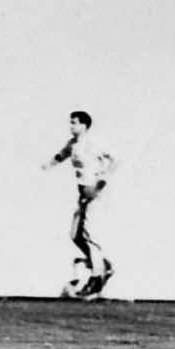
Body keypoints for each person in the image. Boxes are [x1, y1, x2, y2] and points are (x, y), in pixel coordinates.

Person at [44, 110, 117, 299]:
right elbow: (61, 155)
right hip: (83, 194)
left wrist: (100, 183)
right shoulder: (73, 144)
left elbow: (114, 160)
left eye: (74, 123)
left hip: (97, 193)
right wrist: (47, 165)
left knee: (89, 234)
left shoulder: (93, 142)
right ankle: (102, 266)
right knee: (75, 235)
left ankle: (96, 278)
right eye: (70, 123)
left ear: (84, 125)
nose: (71, 126)